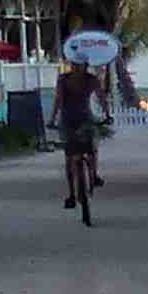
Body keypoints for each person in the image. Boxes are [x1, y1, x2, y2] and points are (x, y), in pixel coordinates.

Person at [53, 49, 106, 223]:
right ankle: (71, 194)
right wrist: (53, 118)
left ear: (85, 66)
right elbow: (58, 100)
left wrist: (107, 113)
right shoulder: (64, 80)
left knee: (92, 148)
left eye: (79, 65)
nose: (76, 68)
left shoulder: (91, 80)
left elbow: (101, 97)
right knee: (70, 158)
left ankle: (94, 175)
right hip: (68, 119)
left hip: (83, 118)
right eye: (74, 65)